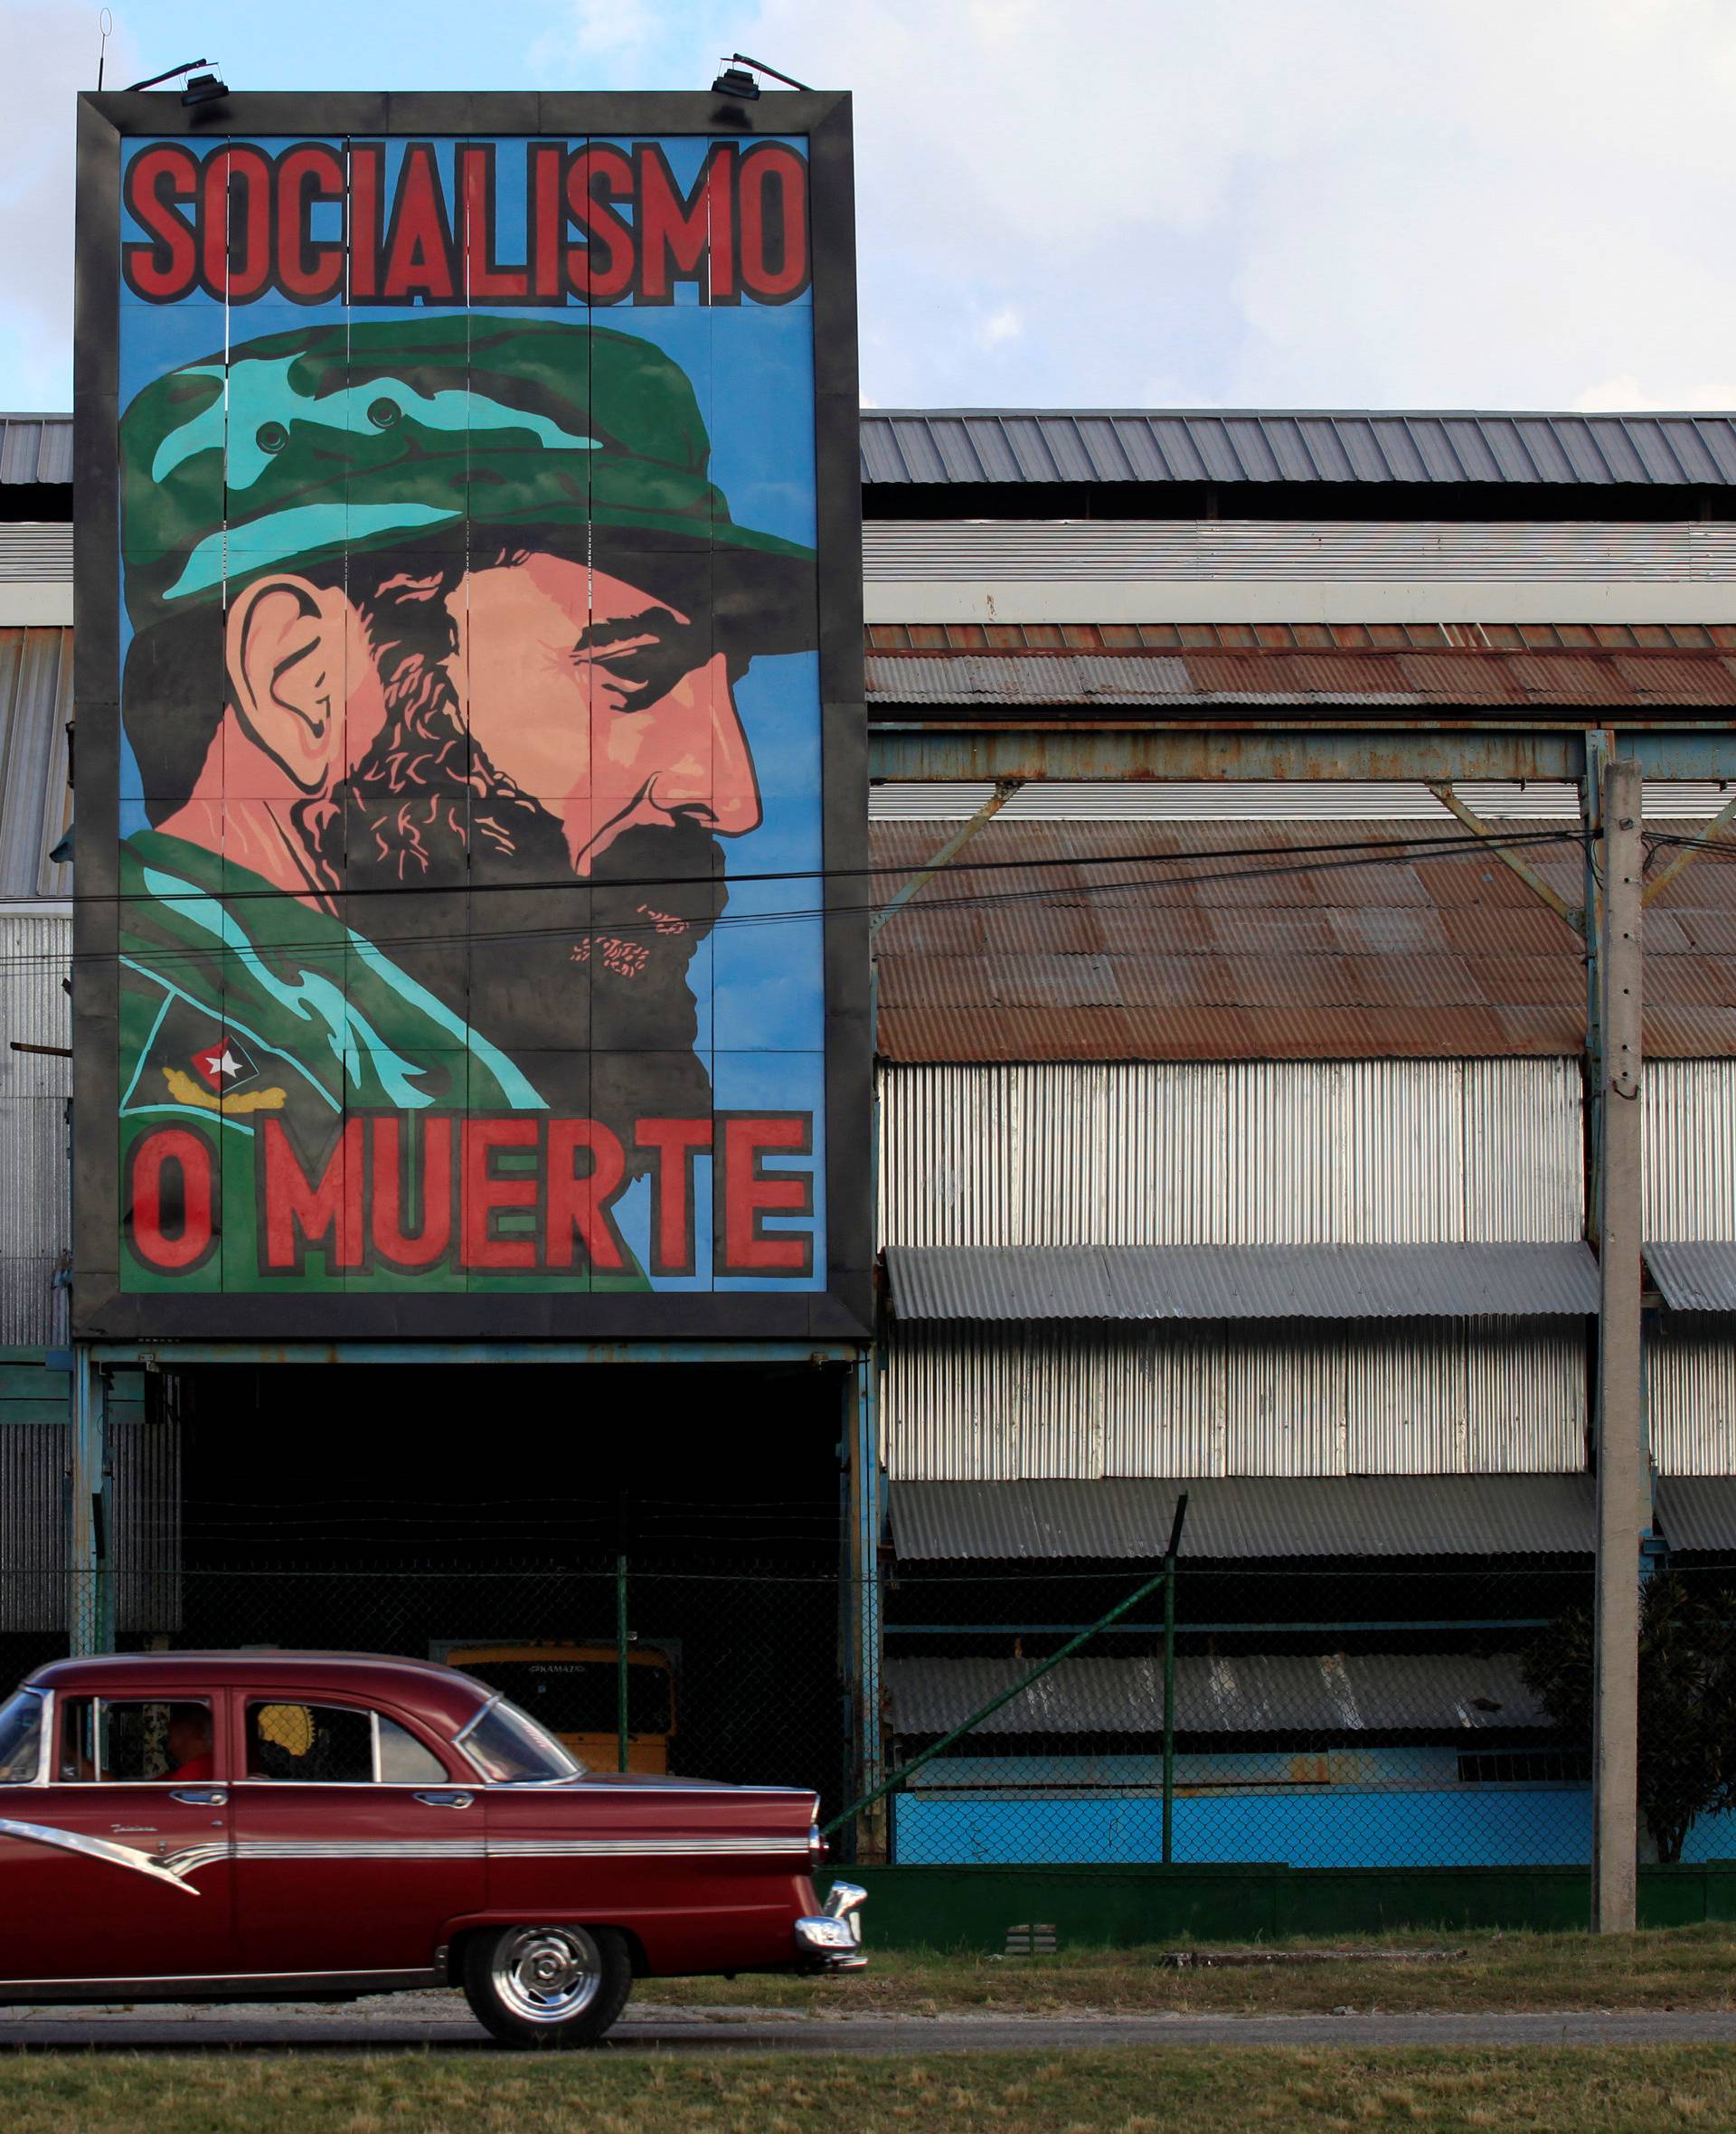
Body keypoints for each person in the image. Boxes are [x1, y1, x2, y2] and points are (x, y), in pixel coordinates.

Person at [114, 315, 816, 1263]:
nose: (730, 796)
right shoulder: (207, 1081)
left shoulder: (408, 1082)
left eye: (725, 693)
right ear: (302, 676)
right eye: (629, 677)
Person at [161, 1704, 213, 1783]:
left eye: (172, 1737)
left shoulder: (192, 1772)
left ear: (197, 1732)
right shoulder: (215, 1765)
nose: (169, 1747)